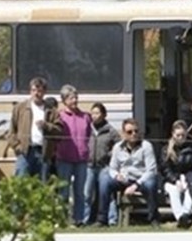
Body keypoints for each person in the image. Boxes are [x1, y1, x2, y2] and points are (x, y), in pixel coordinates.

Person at [100, 118, 159, 227]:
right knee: (105, 179)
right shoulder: (117, 147)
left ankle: (153, 219)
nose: (134, 134)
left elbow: (151, 170)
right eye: (129, 132)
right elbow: (112, 168)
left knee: (151, 183)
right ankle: (102, 219)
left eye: (136, 131)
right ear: (123, 134)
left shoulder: (146, 146)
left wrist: (136, 185)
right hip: (124, 179)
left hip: (141, 180)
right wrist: (116, 175)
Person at [53, 84, 92, 226]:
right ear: (64, 100)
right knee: (63, 191)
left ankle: (79, 219)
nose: (75, 100)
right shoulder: (60, 116)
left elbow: (88, 135)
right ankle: (63, 219)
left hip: (81, 159)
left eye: (76, 97)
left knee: (80, 191)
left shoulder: (85, 117)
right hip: (64, 158)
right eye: (71, 98)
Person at [161, 121, 192, 229]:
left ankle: (184, 216)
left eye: (183, 135)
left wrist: (188, 179)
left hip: (189, 178)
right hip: (171, 180)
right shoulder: (166, 149)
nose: (181, 138)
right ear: (173, 134)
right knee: (173, 190)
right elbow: (165, 169)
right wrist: (175, 180)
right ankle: (181, 217)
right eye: (178, 135)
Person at [9, 77, 52, 180]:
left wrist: (47, 126)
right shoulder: (20, 108)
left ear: (44, 92)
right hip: (25, 152)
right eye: (34, 90)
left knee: (42, 185)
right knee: (22, 184)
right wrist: (17, 147)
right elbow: (11, 131)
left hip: (43, 153)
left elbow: (59, 130)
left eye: (39, 91)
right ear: (30, 91)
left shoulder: (51, 110)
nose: (36, 93)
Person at [89, 102, 116, 219]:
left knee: (106, 193)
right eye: (93, 113)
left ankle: (111, 218)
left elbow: (119, 146)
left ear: (104, 115)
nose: (94, 116)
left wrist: (108, 155)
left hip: (104, 166)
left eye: (97, 113)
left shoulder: (110, 130)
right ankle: (84, 219)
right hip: (89, 165)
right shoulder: (88, 129)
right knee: (87, 193)